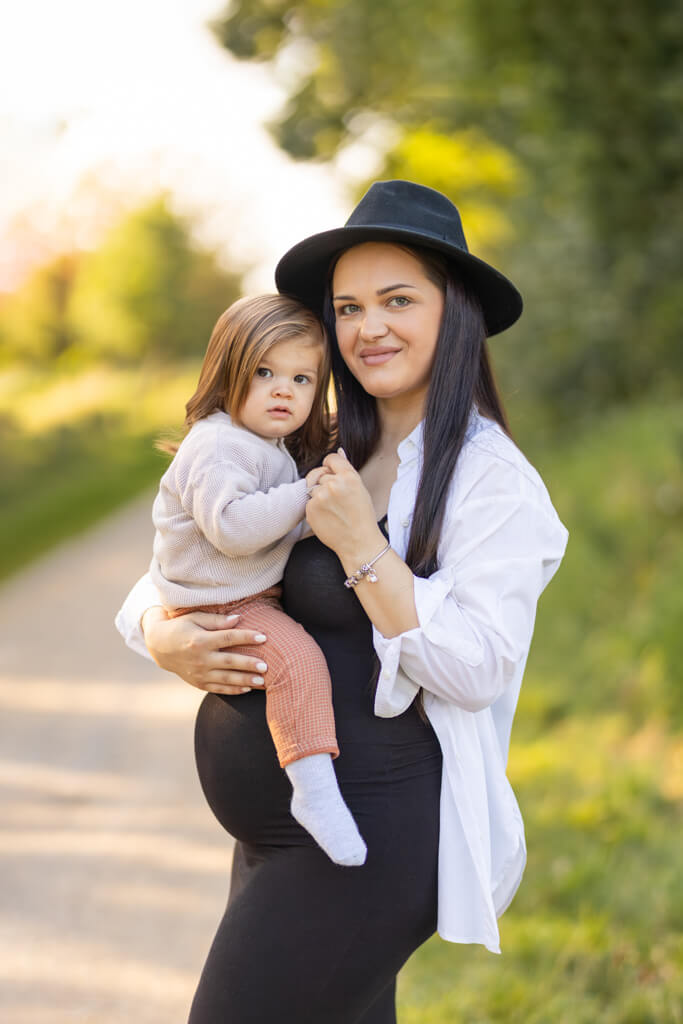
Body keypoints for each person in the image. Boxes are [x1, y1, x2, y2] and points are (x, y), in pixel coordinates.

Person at [116, 180, 569, 1024]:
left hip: (370, 840)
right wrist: (159, 632)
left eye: (398, 300)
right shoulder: (318, 442)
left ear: (454, 311)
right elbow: (190, 552)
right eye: (349, 306)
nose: (369, 327)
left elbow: (477, 667)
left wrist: (364, 549)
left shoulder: (488, 481)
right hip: (283, 829)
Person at [149, 293, 366, 867]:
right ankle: (314, 791)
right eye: (265, 372)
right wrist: (306, 492)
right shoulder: (218, 444)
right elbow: (236, 529)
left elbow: (273, 530)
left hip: (238, 592)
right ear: (228, 373)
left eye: (301, 378)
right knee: (297, 660)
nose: (282, 390)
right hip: (225, 605)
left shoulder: (262, 445)